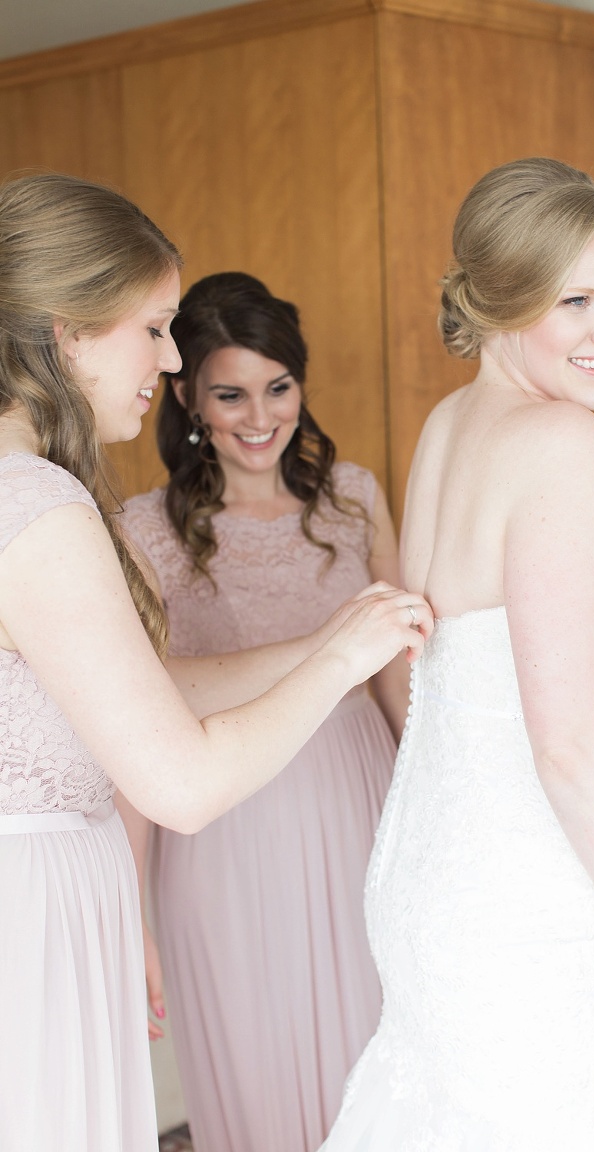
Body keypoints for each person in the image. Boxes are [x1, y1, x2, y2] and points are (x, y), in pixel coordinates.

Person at [0, 172, 431, 1152]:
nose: (166, 354)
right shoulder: (39, 505)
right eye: (152, 327)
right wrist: (340, 663)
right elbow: (182, 784)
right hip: (35, 910)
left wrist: (329, 637)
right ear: (68, 332)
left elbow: (127, 696)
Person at [319, 157, 594, 1152]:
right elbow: (568, 737)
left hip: (443, 867)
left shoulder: (452, 424)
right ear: (496, 300)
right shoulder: (564, 445)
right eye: (574, 300)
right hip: (537, 887)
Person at [120, 271, 409, 1152]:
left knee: (378, 1059)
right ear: (187, 396)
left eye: (279, 386)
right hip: (223, 830)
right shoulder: (145, 528)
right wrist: (134, 921)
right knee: (250, 1063)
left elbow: (403, 686)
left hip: (358, 807)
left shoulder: (353, 498)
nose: (259, 415)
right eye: (230, 392)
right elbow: (136, 732)